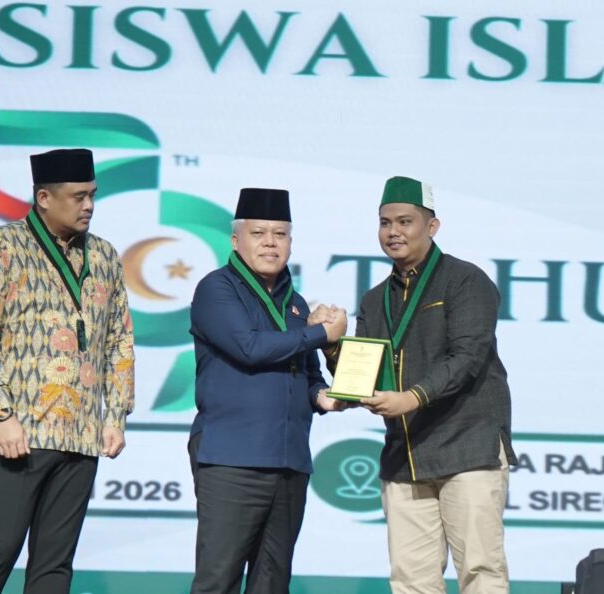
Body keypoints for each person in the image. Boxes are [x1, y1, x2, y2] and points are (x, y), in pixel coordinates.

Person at [329, 176, 516, 594]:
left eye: (404, 221)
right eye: (385, 223)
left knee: (480, 573)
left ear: (432, 226)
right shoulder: (375, 299)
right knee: (411, 581)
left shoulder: (465, 281)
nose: (393, 231)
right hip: (404, 457)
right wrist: (331, 345)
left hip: (467, 447)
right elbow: (366, 376)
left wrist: (412, 398)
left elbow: (467, 357)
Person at [0, 148, 135, 594]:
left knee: (54, 564)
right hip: (18, 433)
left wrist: (114, 416)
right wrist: (2, 413)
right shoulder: (0, 246)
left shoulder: (104, 255)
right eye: (78, 196)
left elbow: (119, 340)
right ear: (44, 198)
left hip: (81, 435)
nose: (89, 205)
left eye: (92, 195)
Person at [188, 187, 348, 594]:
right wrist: (320, 333)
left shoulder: (297, 304)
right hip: (232, 460)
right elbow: (250, 348)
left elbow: (308, 373)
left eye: (280, 234)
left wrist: (323, 396)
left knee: (273, 582)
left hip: (289, 463)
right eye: (258, 233)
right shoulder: (217, 289)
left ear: (290, 242)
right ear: (235, 240)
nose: (270, 243)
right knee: (218, 580)